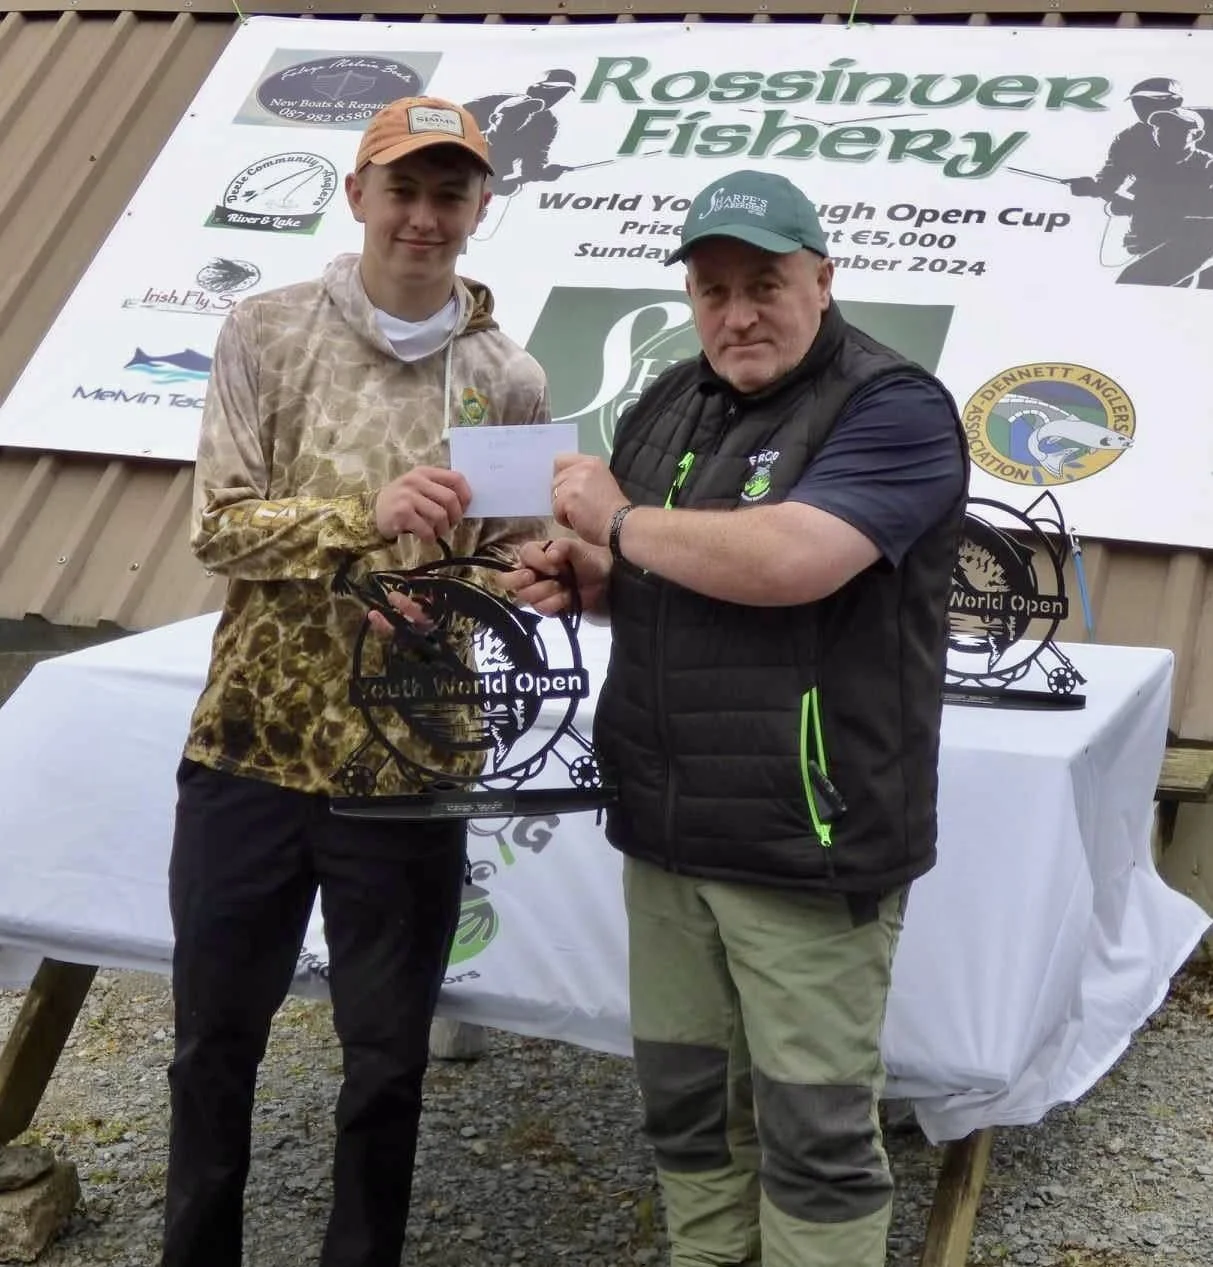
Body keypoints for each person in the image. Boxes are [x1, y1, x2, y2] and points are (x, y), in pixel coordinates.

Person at [505, 169, 968, 1267]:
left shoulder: (892, 407)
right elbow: (661, 567)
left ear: (823, 279)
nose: (738, 313)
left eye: (764, 283)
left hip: (805, 838)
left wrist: (618, 523)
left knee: (814, 1139)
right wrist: (587, 575)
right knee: (690, 1112)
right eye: (713, 290)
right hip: (666, 828)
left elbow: (792, 559)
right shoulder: (673, 397)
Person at [163, 95, 550, 1267]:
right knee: (212, 1044)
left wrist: (475, 589)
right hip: (251, 746)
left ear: (480, 209)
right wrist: (362, 517)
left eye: (449, 194)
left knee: (385, 1062)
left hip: (410, 763)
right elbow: (220, 528)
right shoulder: (266, 331)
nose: (423, 217)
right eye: (403, 190)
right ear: (356, 197)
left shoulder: (507, 377)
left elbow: (506, 559)